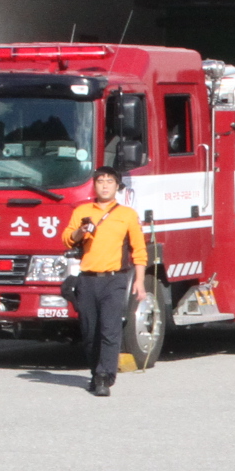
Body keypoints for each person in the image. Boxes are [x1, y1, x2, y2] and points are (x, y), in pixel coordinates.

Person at [61, 167, 145, 397]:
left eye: (110, 181)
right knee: (90, 333)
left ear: (117, 186)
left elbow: (139, 250)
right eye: (100, 181)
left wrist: (139, 281)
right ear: (94, 185)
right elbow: (67, 239)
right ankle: (95, 372)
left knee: (110, 330)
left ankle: (104, 376)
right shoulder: (82, 211)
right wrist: (81, 231)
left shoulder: (127, 214)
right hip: (87, 280)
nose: (105, 185)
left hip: (114, 279)